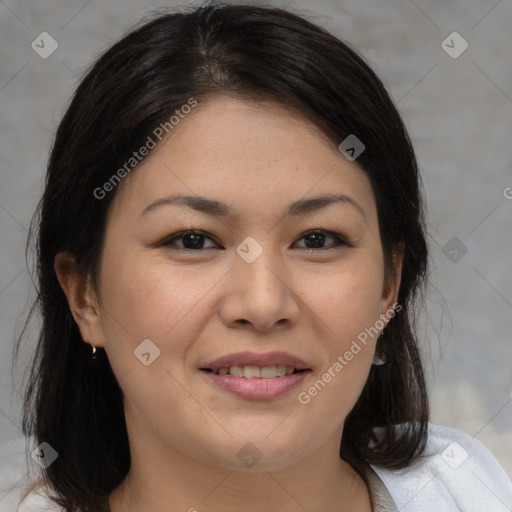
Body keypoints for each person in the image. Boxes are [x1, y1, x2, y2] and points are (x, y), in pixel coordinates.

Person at [15, 2, 512, 511]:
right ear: (84, 296)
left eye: (317, 239)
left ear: (390, 285)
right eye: (192, 240)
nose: (262, 301)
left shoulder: (468, 490)